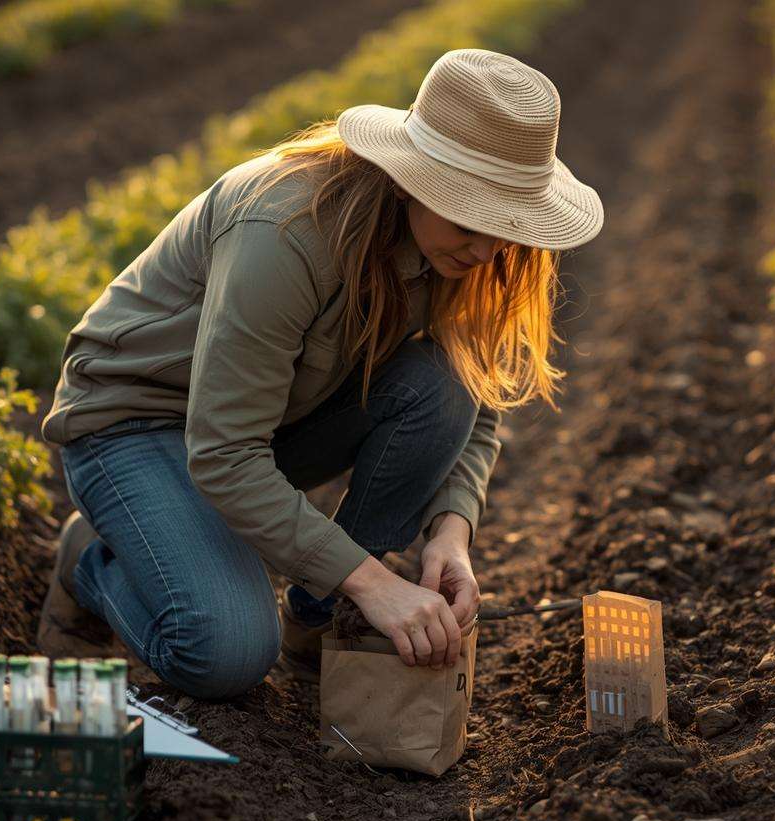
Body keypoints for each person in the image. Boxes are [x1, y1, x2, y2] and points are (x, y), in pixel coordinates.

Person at [36, 49, 603, 699]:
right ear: (409, 179)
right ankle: (94, 559)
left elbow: (476, 395)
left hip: (267, 420)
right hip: (135, 423)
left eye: (505, 228)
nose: (486, 249)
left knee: (443, 385)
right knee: (226, 654)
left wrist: (453, 531)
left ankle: (316, 617)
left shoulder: (463, 256)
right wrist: (373, 582)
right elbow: (224, 453)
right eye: (468, 217)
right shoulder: (284, 231)